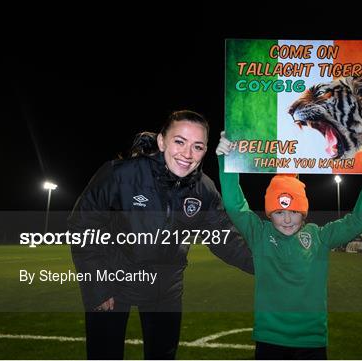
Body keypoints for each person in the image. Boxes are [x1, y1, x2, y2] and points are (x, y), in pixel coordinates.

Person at [68, 111, 254, 360]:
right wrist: (98, 287)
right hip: (114, 280)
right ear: (161, 141)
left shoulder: (204, 189)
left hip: (165, 290)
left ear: (206, 149)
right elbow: (83, 224)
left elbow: (224, 237)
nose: (187, 154)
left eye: (197, 147)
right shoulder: (120, 174)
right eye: (180, 141)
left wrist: (266, 264)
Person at [216, 131, 362, 360]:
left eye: (293, 212)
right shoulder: (259, 233)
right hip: (270, 340)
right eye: (279, 212)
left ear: (304, 211)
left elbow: (358, 221)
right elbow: (234, 203)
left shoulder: (320, 237)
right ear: (269, 214)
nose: (287, 219)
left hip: (312, 341)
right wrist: (225, 160)